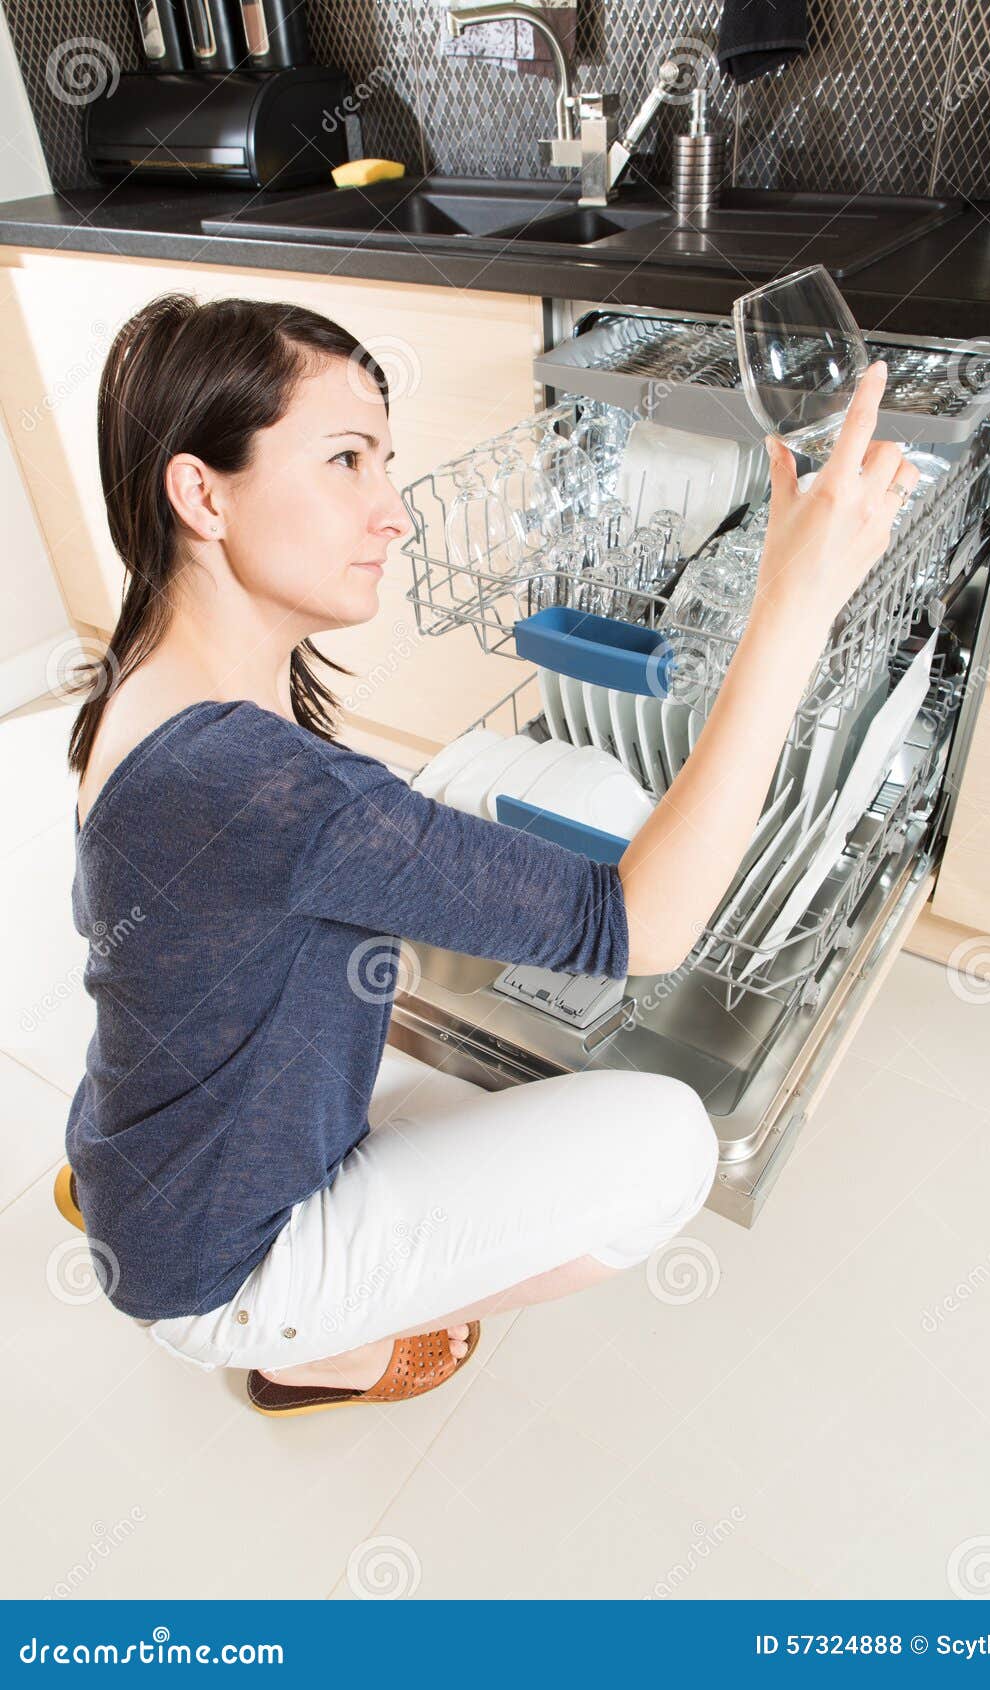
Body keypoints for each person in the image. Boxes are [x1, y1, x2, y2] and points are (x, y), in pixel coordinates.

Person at [64, 293, 918, 1415]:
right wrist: (791, 606)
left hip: (145, 1155)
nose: (394, 514)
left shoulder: (147, 683)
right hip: (211, 1261)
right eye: (346, 460)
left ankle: (192, 1230)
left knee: (450, 1076)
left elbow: (256, 904)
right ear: (201, 492)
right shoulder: (259, 784)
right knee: (664, 1146)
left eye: (385, 462)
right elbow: (641, 927)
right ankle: (315, 1350)